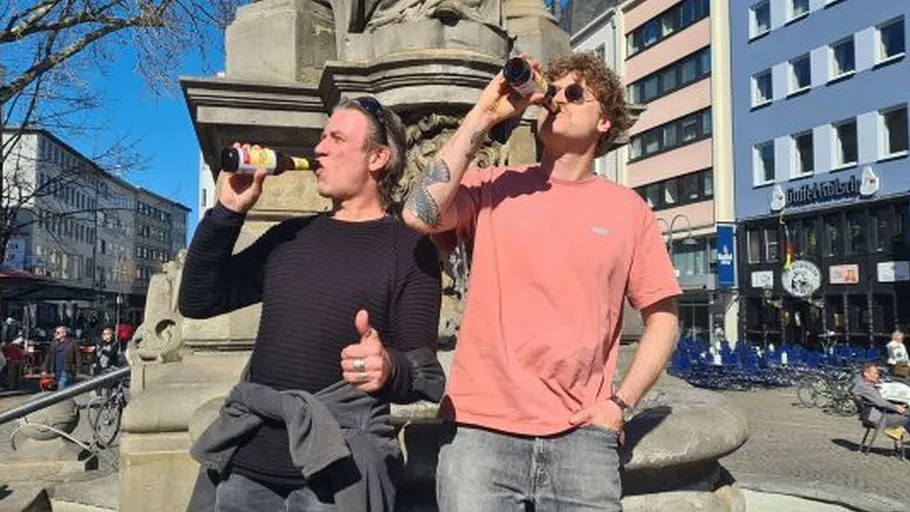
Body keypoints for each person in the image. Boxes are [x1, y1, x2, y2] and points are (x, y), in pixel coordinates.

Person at [401, 51, 682, 511]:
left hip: (581, 440)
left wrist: (620, 404)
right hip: (481, 433)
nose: (558, 100)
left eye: (575, 93)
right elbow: (418, 213)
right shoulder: (494, 186)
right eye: (554, 90)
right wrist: (484, 113)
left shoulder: (629, 212)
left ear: (605, 122)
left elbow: (664, 320)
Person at [180, 96, 445, 512]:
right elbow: (198, 300)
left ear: (377, 158)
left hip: (340, 470)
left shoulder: (410, 250)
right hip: (247, 464)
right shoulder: (289, 236)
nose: (319, 148)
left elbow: (427, 376)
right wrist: (227, 212)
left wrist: (388, 367)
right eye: (322, 137)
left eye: (336, 139)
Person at [850, 362, 909, 440]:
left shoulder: (863, 385)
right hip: (876, 418)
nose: (877, 376)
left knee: (906, 415)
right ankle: (896, 431)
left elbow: (878, 401)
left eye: (878, 373)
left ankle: (898, 431)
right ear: (866, 374)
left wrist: (895, 406)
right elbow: (881, 403)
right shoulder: (865, 387)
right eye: (875, 373)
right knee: (906, 419)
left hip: (873, 415)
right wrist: (896, 408)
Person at [40, 326, 80, 390]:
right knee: (65, 388)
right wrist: (44, 369)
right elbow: (48, 357)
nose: (55, 334)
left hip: (67, 369)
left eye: (58, 333)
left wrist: (78, 370)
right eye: (55, 332)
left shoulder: (72, 343)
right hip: (56, 370)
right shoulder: (53, 344)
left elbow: (77, 358)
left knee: (61, 386)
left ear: (64, 334)